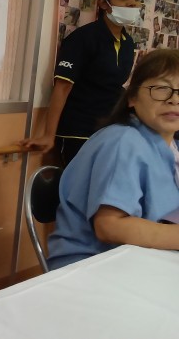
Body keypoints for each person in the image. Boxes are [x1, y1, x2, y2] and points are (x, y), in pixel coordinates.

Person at [47, 49, 179, 270]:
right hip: (92, 268)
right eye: (161, 89)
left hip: (143, 260)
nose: (174, 99)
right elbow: (109, 226)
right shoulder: (123, 141)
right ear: (132, 98)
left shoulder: (170, 147)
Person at [20, 0, 143, 166]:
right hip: (78, 133)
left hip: (110, 130)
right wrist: (49, 135)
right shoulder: (83, 38)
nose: (132, 3)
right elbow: (62, 88)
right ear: (103, 3)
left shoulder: (128, 43)